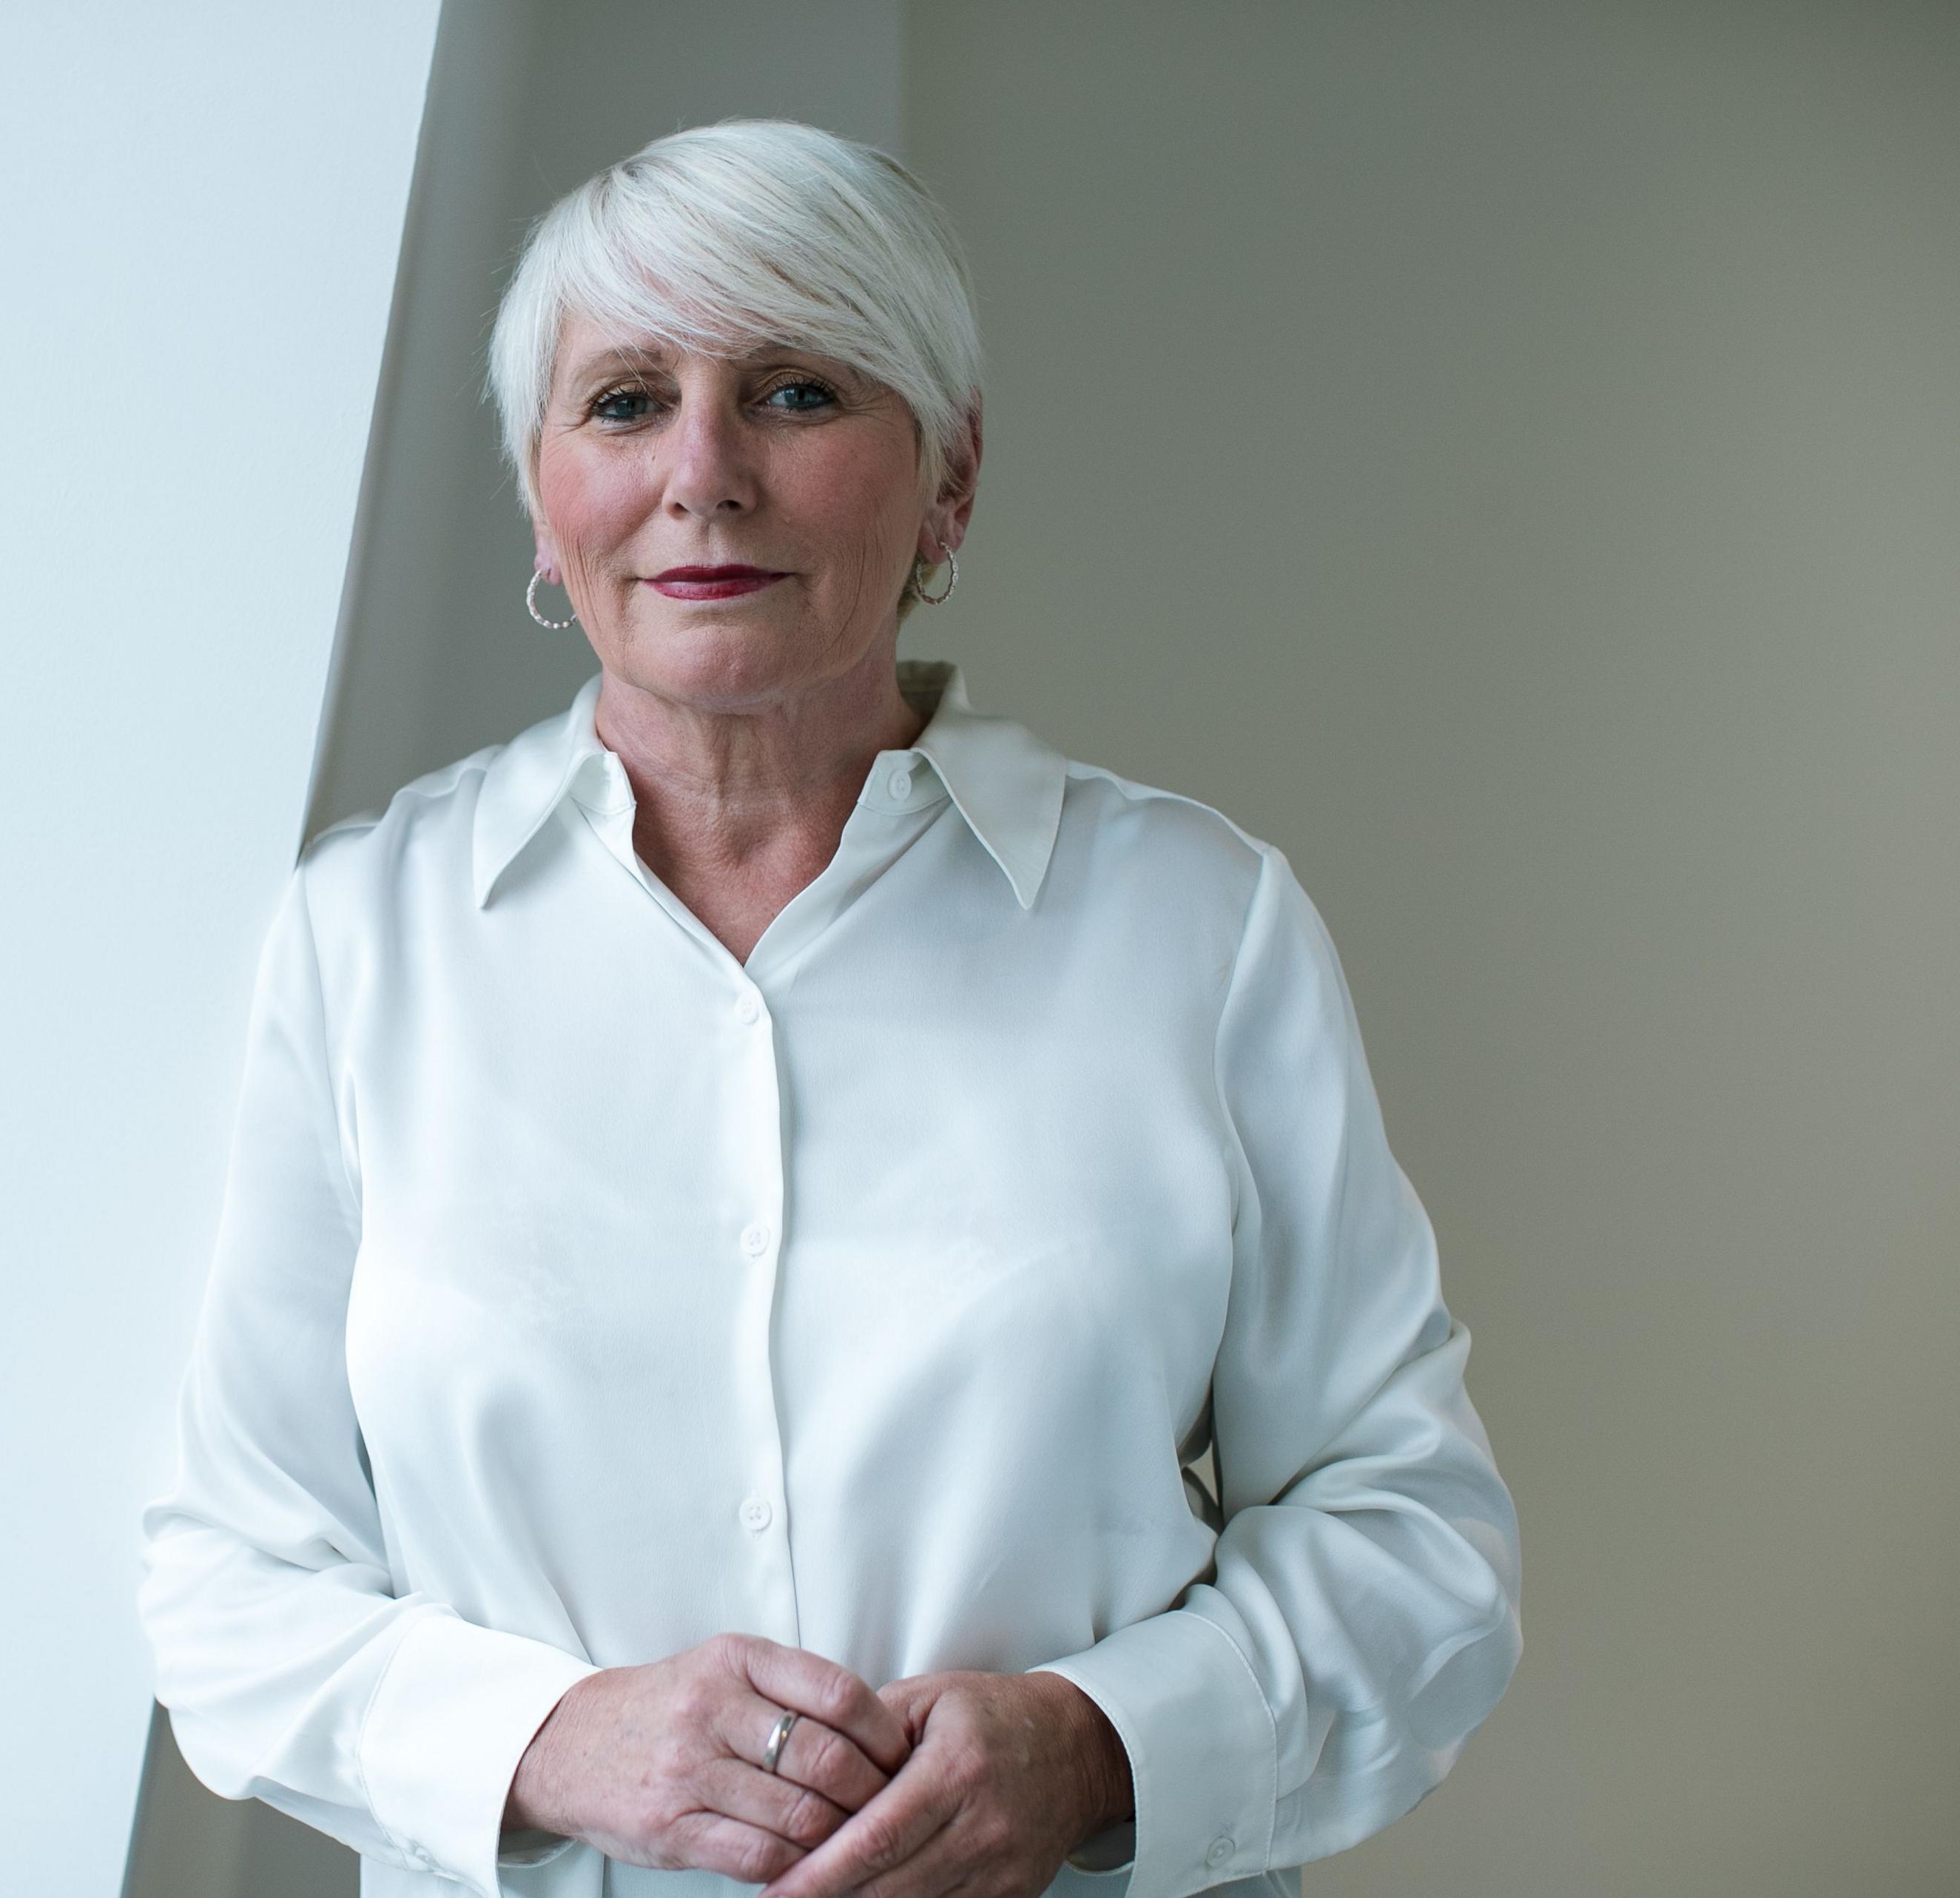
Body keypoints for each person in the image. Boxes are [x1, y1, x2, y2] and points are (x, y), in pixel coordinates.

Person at [137, 119, 1519, 1898]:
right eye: (626, 401)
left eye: (795, 391)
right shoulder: (361, 941)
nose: (703, 474)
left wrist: (1099, 1741)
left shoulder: (1199, 924)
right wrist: (549, 1738)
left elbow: (1418, 1544)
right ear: (543, 497)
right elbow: (232, 1575)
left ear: (945, 481)